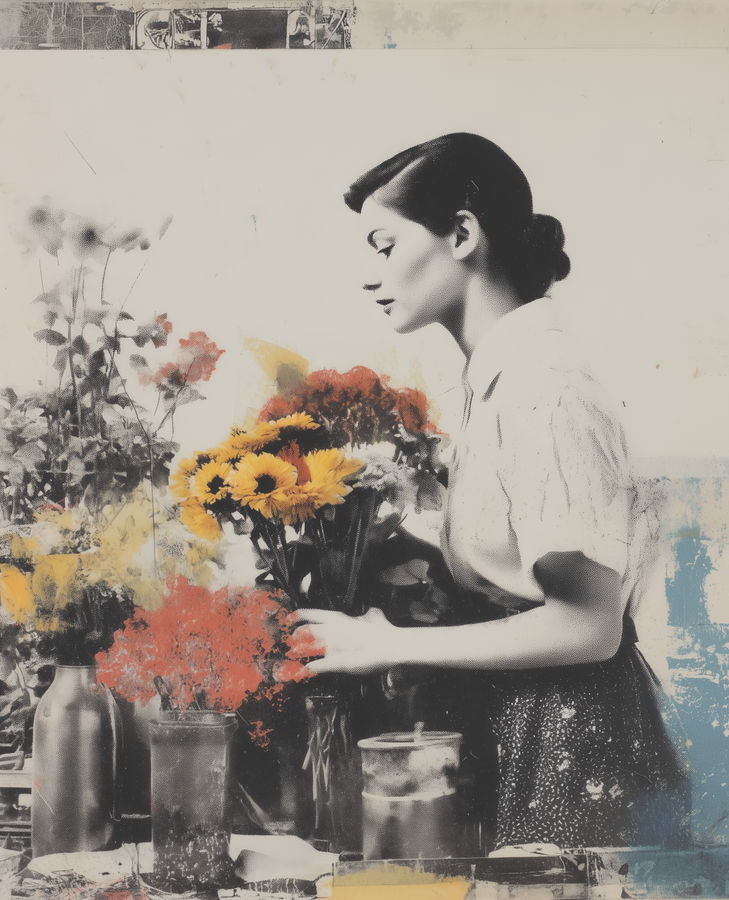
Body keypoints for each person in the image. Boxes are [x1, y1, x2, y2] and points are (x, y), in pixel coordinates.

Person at [294, 132, 690, 850]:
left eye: (384, 245)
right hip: (532, 721)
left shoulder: (545, 391)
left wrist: (391, 646)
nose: (369, 273)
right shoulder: (502, 384)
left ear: (463, 234)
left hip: (576, 737)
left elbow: (587, 627)